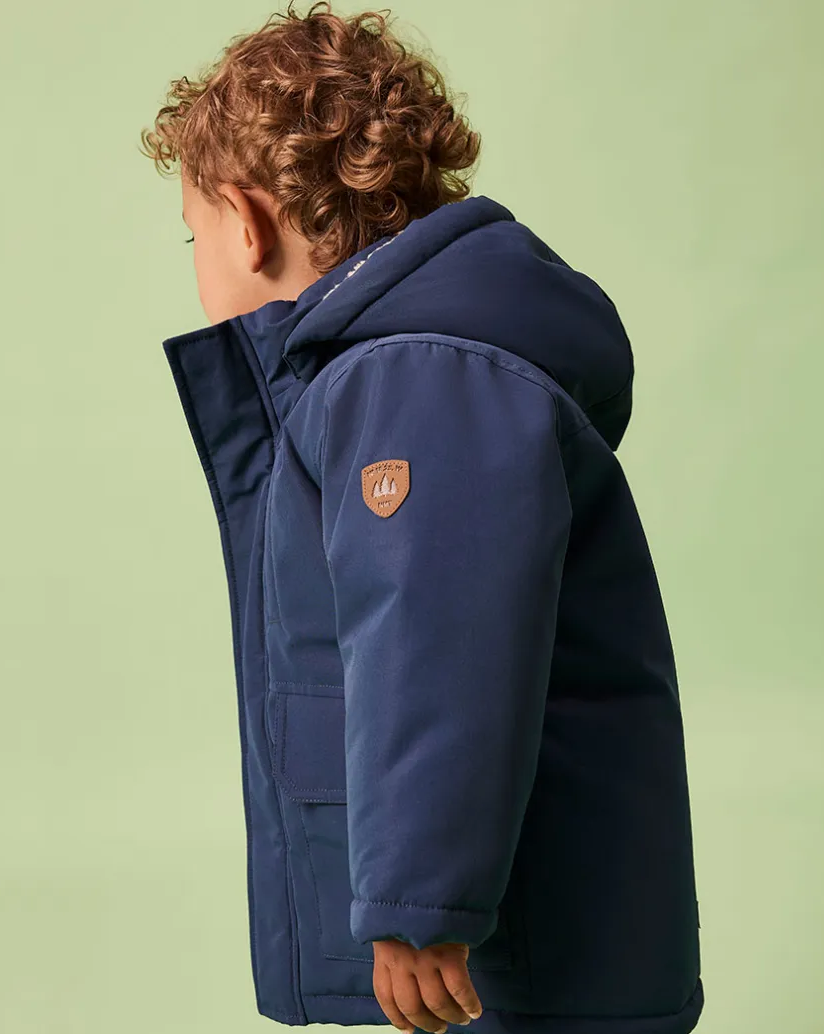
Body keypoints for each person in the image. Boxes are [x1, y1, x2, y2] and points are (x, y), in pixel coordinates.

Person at [139, 3, 704, 1033]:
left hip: (512, 941)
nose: (197, 257)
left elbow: (437, 638)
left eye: (194, 233)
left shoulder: (412, 376)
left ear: (246, 219)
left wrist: (418, 901)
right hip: (531, 923)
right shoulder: (418, 364)